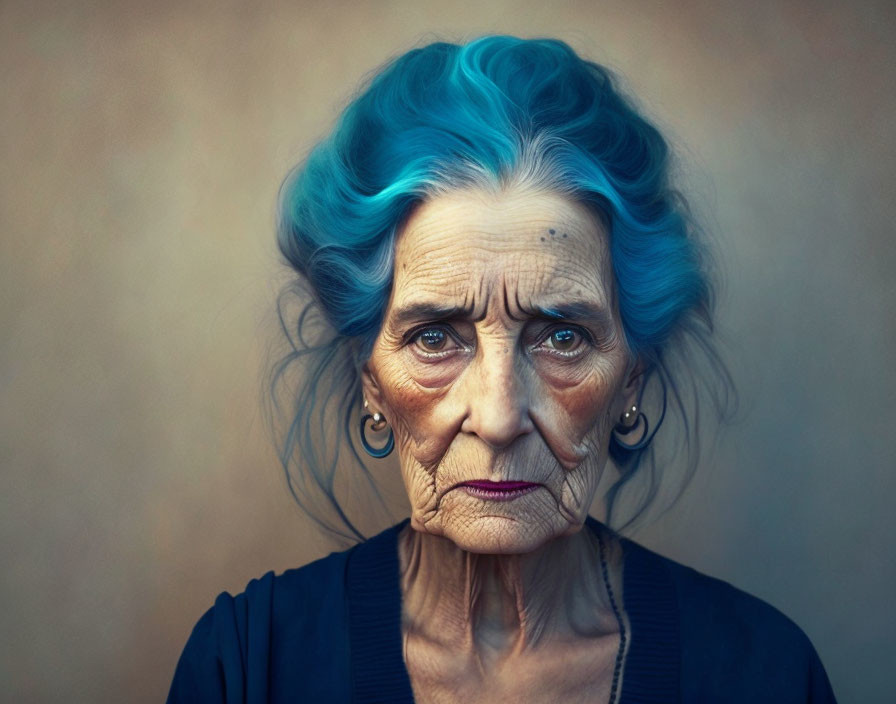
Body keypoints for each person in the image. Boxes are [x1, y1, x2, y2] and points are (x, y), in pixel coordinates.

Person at [167, 35, 837, 703]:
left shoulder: (764, 675)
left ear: (631, 378)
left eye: (563, 338)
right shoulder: (248, 668)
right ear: (369, 377)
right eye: (435, 338)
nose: (498, 418)